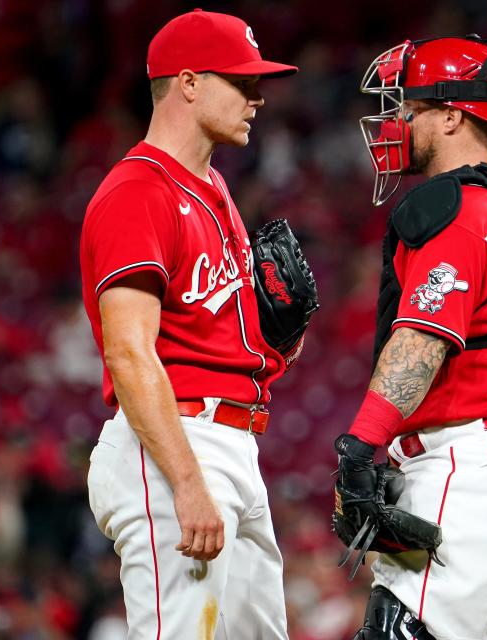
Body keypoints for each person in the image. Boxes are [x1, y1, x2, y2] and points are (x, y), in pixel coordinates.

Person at [336, 36, 487, 639]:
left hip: (470, 468)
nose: (394, 122)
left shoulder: (460, 211)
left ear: (450, 114)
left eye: (407, 108)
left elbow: (421, 341)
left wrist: (361, 448)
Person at [79, 10, 297, 638]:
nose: (257, 97)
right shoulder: (135, 193)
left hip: (233, 442)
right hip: (174, 444)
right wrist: (186, 481)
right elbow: (128, 354)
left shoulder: (214, 187)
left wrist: (277, 341)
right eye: (242, 81)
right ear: (190, 82)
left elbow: (217, 336)